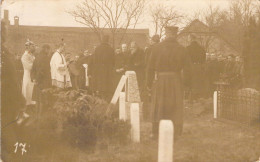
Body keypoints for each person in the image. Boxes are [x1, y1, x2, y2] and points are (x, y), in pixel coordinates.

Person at [146, 27, 188, 139]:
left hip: (161, 80)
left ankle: (155, 132)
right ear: (176, 34)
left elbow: (150, 67)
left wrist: (148, 84)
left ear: (166, 33)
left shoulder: (156, 48)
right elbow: (188, 69)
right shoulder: (182, 49)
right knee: (175, 106)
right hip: (175, 80)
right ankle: (176, 132)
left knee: (159, 105)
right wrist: (187, 85)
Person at [1, 19, 26, 162]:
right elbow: (10, 79)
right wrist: (19, 99)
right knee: (8, 129)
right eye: (5, 30)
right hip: (5, 99)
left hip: (7, 97)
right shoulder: (3, 54)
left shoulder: (4, 52)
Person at [90, 35, 115, 100]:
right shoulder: (111, 49)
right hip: (108, 71)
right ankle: (106, 100)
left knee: (100, 86)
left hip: (99, 71)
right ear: (108, 40)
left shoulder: (97, 49)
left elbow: (94, 60)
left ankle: (100, 100)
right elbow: (113, 61)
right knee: (107, 86)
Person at [31, 44, 52, 112]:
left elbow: (33, 69)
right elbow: (42, 71)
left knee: (37, 99)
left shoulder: (37, 57)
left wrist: (34, 79)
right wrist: (38, 80)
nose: (49, 51)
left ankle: (37, 115)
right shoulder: (45, 58)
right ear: (46, 49)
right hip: (42, 81)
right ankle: (41, 116)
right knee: (42, 99)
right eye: (48, 49)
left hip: (37, 81)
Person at [186, 34, 206, 99]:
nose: (188, 40)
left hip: (191, 67)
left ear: (191, 39)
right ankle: (197, 98)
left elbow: (186, 60)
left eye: (188, 38)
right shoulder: (202, 49)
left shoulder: (188, 48)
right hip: (199, 67)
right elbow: (204, 59)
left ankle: (191, 98)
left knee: (190, 82)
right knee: (198, 83)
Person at [21, 39, 36, 105]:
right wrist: (36, 64)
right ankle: (24, 107)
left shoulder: (31, 55)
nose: (34, 48)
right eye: (32, 46)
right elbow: (28, 67)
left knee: (31, 89)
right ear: (28, 47)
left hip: (32, 75)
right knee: (26, 90)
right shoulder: (24, 56)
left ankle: (29, 102)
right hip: (27, 75)